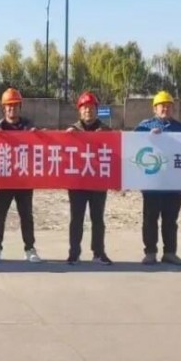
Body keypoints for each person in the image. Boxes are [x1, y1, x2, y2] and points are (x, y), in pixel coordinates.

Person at [135, 90, 181, 266]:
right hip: (152, 183)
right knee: (150, 219)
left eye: (168, 106)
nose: (165, 109)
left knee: (170, 221)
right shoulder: (144, 127)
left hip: (173, 184)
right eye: (162, 106)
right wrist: (147, 137)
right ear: (155, 109)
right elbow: (132, 146)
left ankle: (170, 253)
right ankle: (150, 252)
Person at [0, 87, 41, 264]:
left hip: (24, 178)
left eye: (15, 105)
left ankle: (29, 248)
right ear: (3, 108)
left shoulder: (28, 126)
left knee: (26, 215)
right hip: (3, 179)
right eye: (8, 106)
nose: (12, 109)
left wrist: (36, 135)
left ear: (20, 107)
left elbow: (41, 142)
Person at [65, 91, 113, 265]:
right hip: (78, 183)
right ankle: (74, 253)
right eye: (84, 108)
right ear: (79, 111)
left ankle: (98, 253)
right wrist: (66, 136)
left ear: (96, 110)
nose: (88, 111)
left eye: (91, 108)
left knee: (98, 219)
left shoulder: (106, 130)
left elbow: (116, 151)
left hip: (98, 182)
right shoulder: (72, 131)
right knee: (76, 219)